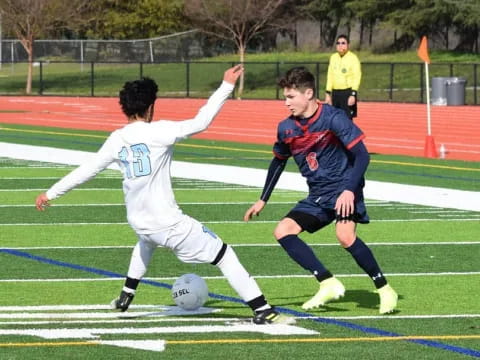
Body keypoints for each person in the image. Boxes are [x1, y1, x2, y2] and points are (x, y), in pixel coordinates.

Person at [35, 65, 294, 325]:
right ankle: (263, 309)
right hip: (169, 223)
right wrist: (226, 85)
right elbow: (201, 122)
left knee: (146, 241)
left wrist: (51, 193)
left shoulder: (116, 139)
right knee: (225, 255)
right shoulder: (158, 132)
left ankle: (126, 294)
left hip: (139, 221)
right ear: (149, 107)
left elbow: (87, 170)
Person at [244, 66, 397, 314]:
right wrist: (262, 200)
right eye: (285, 97)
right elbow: (278, 161)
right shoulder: (286, 128)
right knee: (283, 231)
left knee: (345, 235)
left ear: (308, 94)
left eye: (291, 97)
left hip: (345, 187)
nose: (286, 103)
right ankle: (327, 282)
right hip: (318, 193)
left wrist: (349, 190)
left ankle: (384, 289)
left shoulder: (334, 118)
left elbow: (362, 156)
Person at [325, 34, 361, 120]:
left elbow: (357, 76)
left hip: (347, 93)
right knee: (334, 119)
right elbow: (330, 75)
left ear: (348, 45)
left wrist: (353, 94)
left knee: (347, 120)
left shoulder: (353, 58)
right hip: (335, 93)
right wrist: (327, 93)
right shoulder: (333, 57)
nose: (340, 45)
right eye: (338, 43)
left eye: (343, 43)